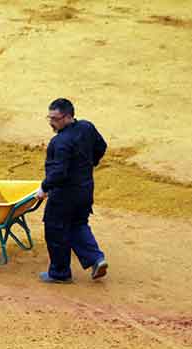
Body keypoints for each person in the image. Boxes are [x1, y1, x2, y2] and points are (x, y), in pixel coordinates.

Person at [36, 98, 109, 283]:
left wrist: (44, 187)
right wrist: (88, 164)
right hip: (85, 190)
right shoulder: (87, 127)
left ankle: (59, 274)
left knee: (55, 230)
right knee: (78, 224)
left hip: (64, 196)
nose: (51, 123)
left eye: (55, 118)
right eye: (49, 118)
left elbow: (58, 173)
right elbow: (101, 147)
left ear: (68, 117)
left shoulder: (59, 142)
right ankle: (96, 259)